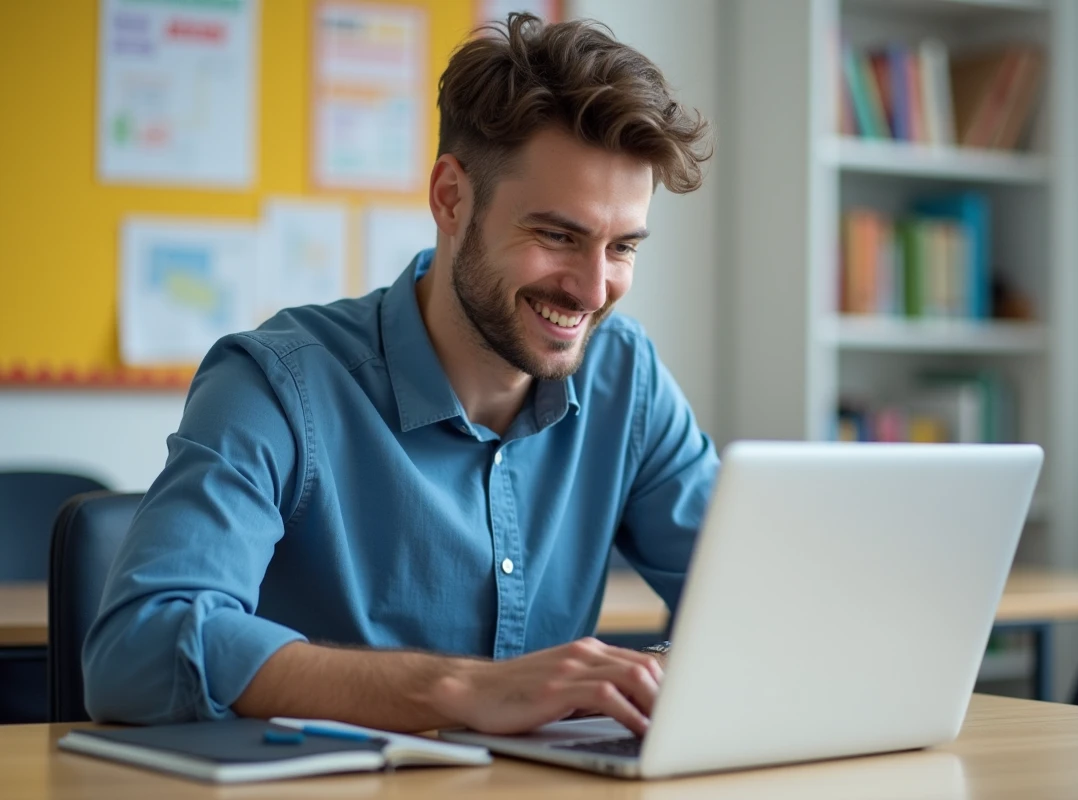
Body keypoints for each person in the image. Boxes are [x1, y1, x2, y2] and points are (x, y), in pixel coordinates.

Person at [84, 13, 717, 738]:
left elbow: (762, 596)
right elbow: (136, 650)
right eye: (557, 236)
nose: (592, 287)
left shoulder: (625, 380)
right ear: (451, 198)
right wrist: (456, 689)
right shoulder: (276, 385)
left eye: (623, 247)